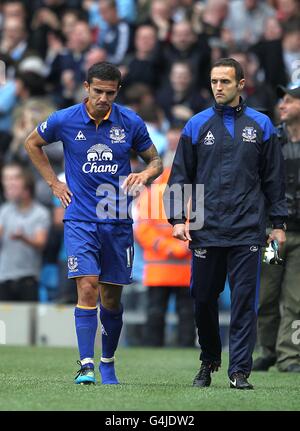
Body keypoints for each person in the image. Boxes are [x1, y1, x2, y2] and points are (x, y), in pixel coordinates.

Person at [24, 61, 163, 385]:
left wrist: (144, 173)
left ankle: (107, 362)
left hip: (115, 220)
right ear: (86, 87)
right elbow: (32, 143)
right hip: (80, 219)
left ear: (117, 92)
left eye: (109, 93)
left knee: (111, 299)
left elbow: (155, 160)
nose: (103, 98)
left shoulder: (130, 122)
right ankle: (85, 364)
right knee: (86, 286)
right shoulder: (64, 119)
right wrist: (54, 184)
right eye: (97, 91)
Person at [164, 58, 288, 390]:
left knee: (244, 301)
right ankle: (209, 359)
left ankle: (239, 372)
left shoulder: (262, 125)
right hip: (207, 226)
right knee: (203, 297)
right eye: (214, 81)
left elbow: (274, 180)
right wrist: (177, 219)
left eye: (225, 82)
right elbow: (180, 176)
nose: (218, 87)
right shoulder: (195, 125)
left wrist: (277, 224)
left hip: (248, 227)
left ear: (241, 84)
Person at [253, 82, 300, 373]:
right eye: (282, 100)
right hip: (274, 234)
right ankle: (267, 351)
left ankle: (290, 357)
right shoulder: (272, 140)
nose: (282, 105)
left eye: (289, 100)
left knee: (296, 298)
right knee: (267, 294)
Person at [135, 125, 195, 348]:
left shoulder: (153, 193)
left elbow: (143, 229)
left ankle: (155, 348)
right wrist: (177, 247)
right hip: (177, 267)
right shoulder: (191, 192)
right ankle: (185, 348)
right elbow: (143, 228)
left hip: (166, 268)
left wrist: (165, 246)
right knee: (183, 314)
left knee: (159, 313)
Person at [0, 162, 50, 301]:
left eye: (16, 182)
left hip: (28, 279)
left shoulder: (40, 213)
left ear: (27, 189)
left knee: (28, 322)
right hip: (4, 277)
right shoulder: (5, 210)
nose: (10, 186)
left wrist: (23, 238)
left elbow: (41, 243)